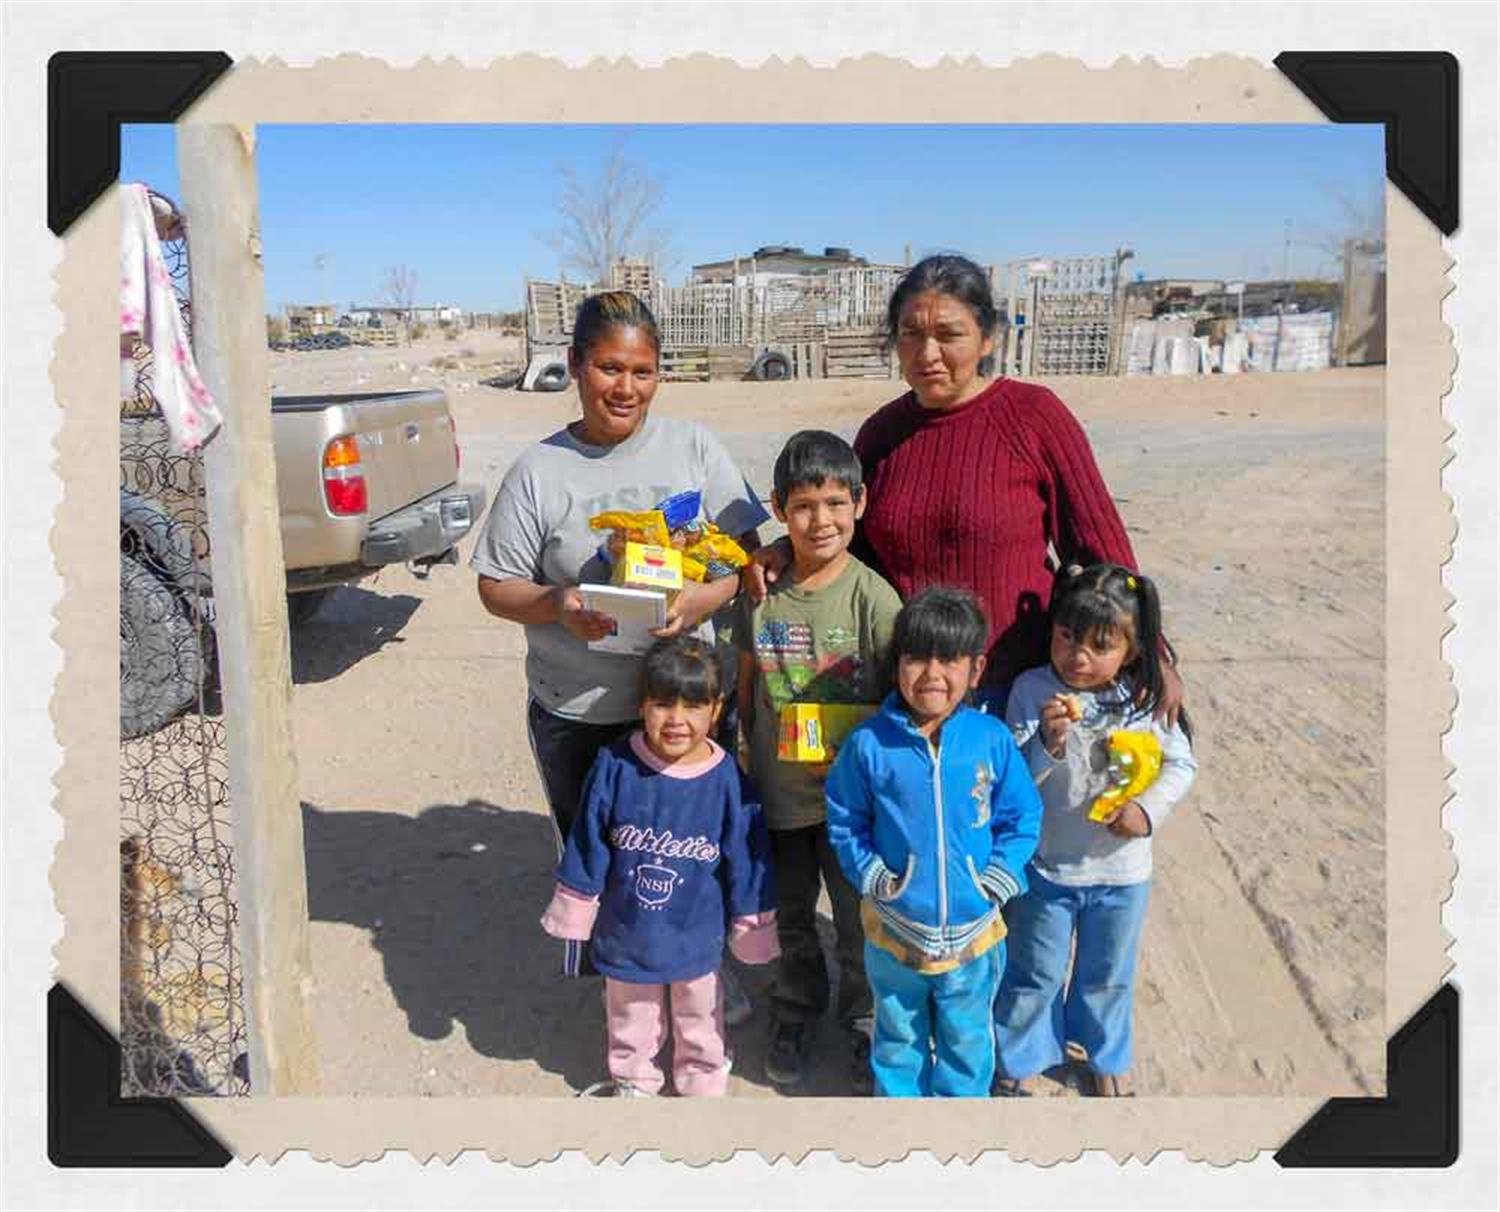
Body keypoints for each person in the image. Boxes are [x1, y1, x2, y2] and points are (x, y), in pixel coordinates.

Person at [744, 253, 1184, 723]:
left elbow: (1099, 546)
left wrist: (1152, 654)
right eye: (911, 334)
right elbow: (846, 534)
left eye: (949, 335)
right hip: (912, 690)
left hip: (1020, 695)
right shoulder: (881, 434)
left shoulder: (1035, 418)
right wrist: (786, 551)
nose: (927, 353)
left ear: (987, 337)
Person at [472, 291, 768, 980]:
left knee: (697, 852)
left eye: (642, 371)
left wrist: (703, 599)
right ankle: (624, 1000)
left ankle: (703, 979)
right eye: (609, 368)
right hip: (583, 713)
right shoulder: (539, 472)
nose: (626, 388)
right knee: (602, 856)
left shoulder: (694, 448)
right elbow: (494, 587)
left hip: (689, 710)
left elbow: (751, 556)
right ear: (576, 367)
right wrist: (556, 603)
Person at [825, 587, 1044, 1097]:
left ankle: (957, 1128)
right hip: (895, 929)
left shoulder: (991, 739)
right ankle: (901, 1123)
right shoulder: (869, 745)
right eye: (916, 657)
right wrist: (873, 876)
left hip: (974, 932)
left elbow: (1022, 815)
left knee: (966, 1039)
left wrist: (999, 878)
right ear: (896, 664)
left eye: (949, 659)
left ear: (976, 668)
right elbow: (844, 819)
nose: (931, 674)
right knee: (898, 1034)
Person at [735, 430, 902, 1092]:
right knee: (792, 917)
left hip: (852, 808)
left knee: (861, 922)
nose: (821, 520)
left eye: (836, 503)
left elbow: (899, 702)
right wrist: (741, 749)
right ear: (778, 508)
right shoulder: (763, 591)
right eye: (803, 506)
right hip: (780, 799)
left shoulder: (874, 599)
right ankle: (794, 1011)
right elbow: (746, 677)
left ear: (859, 503)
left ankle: (862, 1022)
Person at [539, 637, 779, 1097]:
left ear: (716, 707)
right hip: (628, 925)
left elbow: (748, 855)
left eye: (693, 706)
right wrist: (578, 901)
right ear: (642, 704)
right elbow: (589, 839)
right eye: (662, 704)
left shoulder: (727, 777)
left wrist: (751, 919)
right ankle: (633, 1078)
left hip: (696, 928)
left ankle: (702, 1078)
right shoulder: (615, 765)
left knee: (700, 1013)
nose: (676, 720)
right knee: (630, 1012)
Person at [994, 564, 1197, 1098]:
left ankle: (1103, 1053)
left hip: (1122, 874)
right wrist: (1048, 744)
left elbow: (1181, 765)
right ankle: (1022, 1052)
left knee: (1108, 973)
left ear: (1131, 651)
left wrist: (1147, 812)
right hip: (1047, 868)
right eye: (1066, 637)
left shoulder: (1145, 699)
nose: (1077, 657)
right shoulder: (1030, 690)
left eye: (1099, 646)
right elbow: (1012, 778)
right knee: (1034, 969)